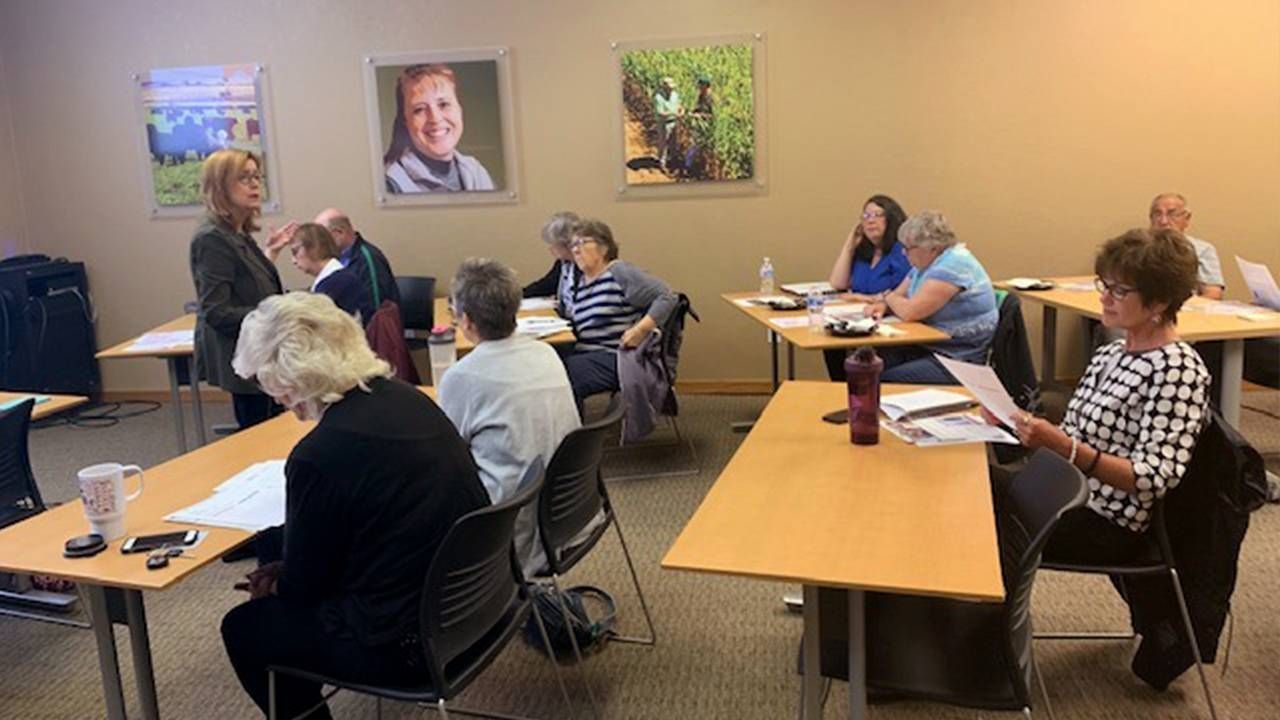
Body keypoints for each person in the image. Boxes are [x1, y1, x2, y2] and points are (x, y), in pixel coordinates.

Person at [220, 292, 488, 720]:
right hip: (478, 606)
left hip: (411, 645)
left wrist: (278, 582)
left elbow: (306, 588)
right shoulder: (409, 397)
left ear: (289, 377)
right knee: (276, 546)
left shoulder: (318, 455)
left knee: (246, 629)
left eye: (268, 383)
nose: (274, 398)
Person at [992, 228, 1210, 686]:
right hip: (1063, 493)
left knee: (977, 519)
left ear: (1157, 304)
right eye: (1104, 285)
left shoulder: (1178, 370)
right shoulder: (1113, 352)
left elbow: (1154, 478)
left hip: (1108, 522)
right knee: (964, 484)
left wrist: (1063, 446)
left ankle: (981, 656)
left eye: (1119, 289)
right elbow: (1073, 436)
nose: (1105, 297)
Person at [439, 258, 581, 575]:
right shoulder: (545, 352)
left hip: (507, 521)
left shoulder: (462, 377)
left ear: (466, 320)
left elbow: (447, 456)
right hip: (565, 509)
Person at [189, 148, 295, 429]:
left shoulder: (237, 231)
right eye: (244, 178)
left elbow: (248, 283)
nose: (254, 184)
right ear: (220, 185)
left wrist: (270, 254)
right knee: (260, 435)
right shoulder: (212, 239)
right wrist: (279, 314)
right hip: (245, 358)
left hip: (261, 352)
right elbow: (217, 312)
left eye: (256, 176)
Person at [866, 211, 998, 383]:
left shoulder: (954, 265)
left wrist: (887, 297)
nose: (904, 253)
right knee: (869, 364)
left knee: (881, 380)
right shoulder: (925, 264)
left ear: (933, 248)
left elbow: (910, 312)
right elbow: (899, 295)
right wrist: (886, 303)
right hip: (931, 347)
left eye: (908, 248)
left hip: (958, 358)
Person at [563, 219, 678, 407]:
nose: (576, 250)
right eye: (573, 244)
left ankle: (574, 434)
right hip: (587, 353)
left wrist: (640, 330)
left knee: (565, 374)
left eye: (583, 242)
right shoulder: (580, 282)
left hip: (617, 356)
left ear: (604, 248)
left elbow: (667, 296)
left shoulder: (618, 272)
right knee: (550, 367)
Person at [823, 194, 912, 380]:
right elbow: (838, 283)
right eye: (866, 216)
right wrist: (849, 244)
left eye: (877, 215)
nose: (870, 221)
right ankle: (842, 391)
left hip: (891, 322)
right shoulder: (864, 252)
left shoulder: (901, 251)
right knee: (830, 342)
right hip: (861, 317)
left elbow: (903, 293)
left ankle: (860, 394)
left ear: (892, 219)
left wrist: (860, 297)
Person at [383, 64, 495, 193]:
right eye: (419, 109)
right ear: (405, 121)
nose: (435, 118)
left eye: (443, 104)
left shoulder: (476, 172)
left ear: (460, 109)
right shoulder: (390, 183)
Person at [287, 223, 375, 325]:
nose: (293, 260)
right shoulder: (340, 278)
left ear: (314, 248)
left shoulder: (334, 285)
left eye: (295, 252)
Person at [314, 208, 400, 308]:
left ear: (339, 233)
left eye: (322, 237)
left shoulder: (368, 259)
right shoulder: (335, 258)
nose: (319, 243)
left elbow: (375, 309)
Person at [1149, 193, 1225, 299]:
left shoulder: (1203, 250)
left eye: (1172, 214)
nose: (1163, 221)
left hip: (1187, 310)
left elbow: (1213, 293)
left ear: (1187, 219)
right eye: (1157, 214)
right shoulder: (1138, 249)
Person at [521, 211, 581, 317]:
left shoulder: (583, 267)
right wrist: (515, 294)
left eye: (553, 244)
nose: (550, 248)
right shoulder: (563, 264)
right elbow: (545, 285)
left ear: (566, 243)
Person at [652, 76, 683, 170]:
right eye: (669, 88)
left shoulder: (675, 95)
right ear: (664, 87)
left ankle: (673, 161)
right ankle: (662, 163)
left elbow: (679, 105)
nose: (671, 90)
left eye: (672, 88)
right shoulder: (658, 98)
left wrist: (681, 111)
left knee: (673, 142)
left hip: (674, 122)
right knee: (663, 143)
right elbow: (660, 113)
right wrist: (673, 113)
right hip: (663, 123)